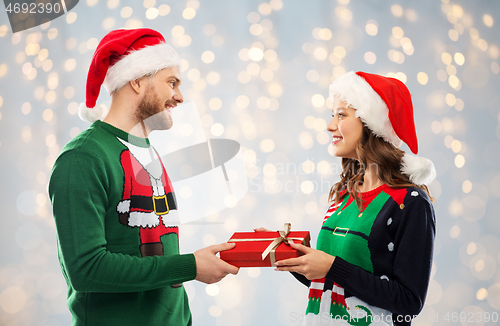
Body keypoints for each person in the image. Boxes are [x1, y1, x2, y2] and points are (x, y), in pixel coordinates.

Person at [48, 28, 239, 326]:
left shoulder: (148, 153)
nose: (179, 96)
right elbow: (86, 269)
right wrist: (190, 265)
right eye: (171, 82)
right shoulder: (83, 158)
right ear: (136, 80)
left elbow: (162, 258)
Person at [274, 71, 436, 325]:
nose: (330, 126)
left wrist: (331, 266)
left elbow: (408, 302)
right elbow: (335, 283)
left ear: (371, 123)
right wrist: (291, 254)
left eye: (341, 115)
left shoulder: (411, 202)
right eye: (332, 115)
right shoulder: (344, 193)